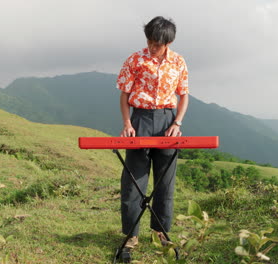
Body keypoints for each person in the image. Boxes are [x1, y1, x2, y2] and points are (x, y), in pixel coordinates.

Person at [116, 16, 189, 257]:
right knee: (133, 182)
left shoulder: (178, 62)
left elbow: (184, 95)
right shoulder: (135, 60)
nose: (152, 46)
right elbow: (125, 95)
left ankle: (161, 232)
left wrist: (177, 122)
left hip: (168, 121)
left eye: (157, 43)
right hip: (140, 120)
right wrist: (127, 123)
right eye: (149, 41)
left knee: (165, 182)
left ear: (168, 41)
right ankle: (131, 235)